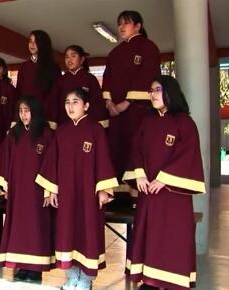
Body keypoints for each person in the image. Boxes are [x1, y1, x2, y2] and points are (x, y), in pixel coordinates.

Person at [122, 76, 205, 290]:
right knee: (149, 236)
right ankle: (149, 280)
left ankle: (171, 282)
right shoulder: (147, 122)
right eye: (150, 90)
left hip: (172, 196)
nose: (152, 94)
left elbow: (188, 155)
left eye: (157, 89)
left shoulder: (185, 123)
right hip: (148, 194)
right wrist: (139, 174)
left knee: (171, 239)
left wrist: (163, 179)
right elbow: (136, 149)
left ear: (170, 92)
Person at [36, 88, 118, 290]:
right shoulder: (61, 131)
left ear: (86, 106)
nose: (70, 106)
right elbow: (51, 162)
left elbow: (104, 160)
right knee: (66, 233)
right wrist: (51, 190)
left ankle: (86, 280)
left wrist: (103, 189)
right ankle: (71, 277)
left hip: (89, 196)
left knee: (88, 233)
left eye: (75, 102)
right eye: (67, 102)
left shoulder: (95, 129)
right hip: (66, 195)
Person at [0, 96, 54, 282]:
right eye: (21, 111)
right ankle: (21, 267)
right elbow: (3, 161)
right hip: (17, 191)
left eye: (27, 110)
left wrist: (49, 190)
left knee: (36, 228)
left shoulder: (46, 134)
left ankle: (35, 268)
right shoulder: (13, 134)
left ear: (36, 111)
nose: (24, 115)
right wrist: (5, 185)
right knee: (18, 227)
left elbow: (52, 163)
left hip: (37, 192)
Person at [102, 11, 161, 193]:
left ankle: (137, 189)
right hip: (115, 113)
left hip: (138, 110)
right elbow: (108, 79)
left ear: (137, 26)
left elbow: (147, 77)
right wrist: (109, 103)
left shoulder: (148, 47)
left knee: (136, 146)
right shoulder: (114, 53)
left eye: (126, 23)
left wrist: (126, 102)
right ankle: (117, 189)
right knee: (115, 146)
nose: (121, 27)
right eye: (119, 23)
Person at [55, 45, 108, 127]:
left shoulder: (90, 79)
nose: (69, 60)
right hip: (65, 123)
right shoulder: (60, 80)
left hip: (87, 124)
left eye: (73, 56)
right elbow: (56, 103)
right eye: (67, 57)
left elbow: (97, 103)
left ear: (82, 59)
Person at [16, 30, 61, 127]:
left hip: (44, 117)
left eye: (36, 41)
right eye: (30, 41)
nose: (32, 44)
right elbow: (19, 92)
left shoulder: (53, 66)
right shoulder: (23, 66)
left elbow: (54, 94)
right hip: (25, 116)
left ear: (43, 44)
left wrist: (49, 116)